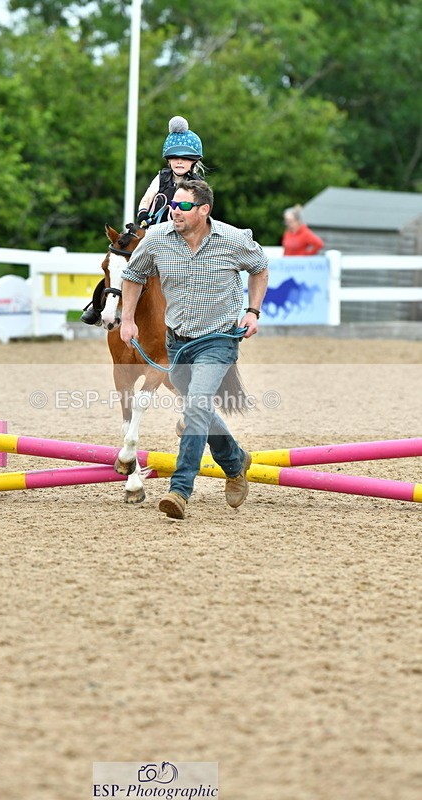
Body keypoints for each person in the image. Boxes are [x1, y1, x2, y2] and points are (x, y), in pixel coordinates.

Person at [119, 179, 269, 520]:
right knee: (199, 411)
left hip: (219, 341)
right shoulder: (157, 238)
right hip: (178, 344)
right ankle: (235, 461)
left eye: (184, 206)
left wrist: (253, 311)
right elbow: (133, 275)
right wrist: (128, 319)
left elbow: (260, 268)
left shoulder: (233, 239)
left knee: (196, 409)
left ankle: (180, 490)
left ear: (204, 209)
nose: (175, 211)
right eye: (173, 205)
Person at [80, 115, 205, 325]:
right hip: (151, 232)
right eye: (175, 158)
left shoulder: (198, 185)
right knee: (119, 258)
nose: (179, 162)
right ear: (168, 159)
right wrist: (143, 214)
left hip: (182, 237)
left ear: (194, 161)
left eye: (185, 158)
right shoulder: (161, 177)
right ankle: (99, 306)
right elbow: (147, 198)